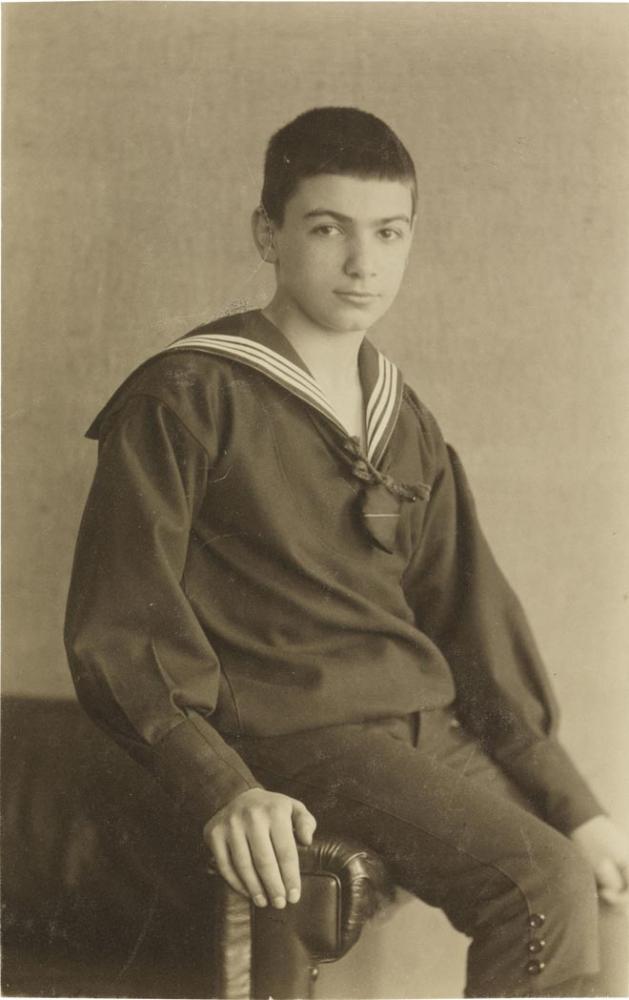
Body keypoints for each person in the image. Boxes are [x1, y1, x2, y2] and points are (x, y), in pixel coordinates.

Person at [65, 107, 628, 997]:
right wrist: (221, 784)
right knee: (538, 884)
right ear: (269, 233)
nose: (363, 264)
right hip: (305, 729)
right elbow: (120, 624)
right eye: (328, 229)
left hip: (423, 726)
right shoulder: (185, 394)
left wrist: (578, 804)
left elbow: (468, 623)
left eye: (387, 233)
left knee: (597, 882)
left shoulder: (404, 421)